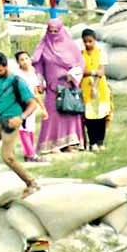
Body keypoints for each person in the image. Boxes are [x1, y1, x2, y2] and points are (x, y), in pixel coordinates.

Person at [0, 52, 39, 195]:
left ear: (6, 66)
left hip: (10, 123)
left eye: (0, 70)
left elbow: (32, 104)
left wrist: (21, 117)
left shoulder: (17, 82)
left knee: (7, 156)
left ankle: (31, 182)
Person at [30, 20, 80, 154]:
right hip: (52, 87)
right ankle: (52, 144)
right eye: (50, 31)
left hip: (68, 86)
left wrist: (72, 75)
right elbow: (38, 66)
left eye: (55, 31)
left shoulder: (70, 46)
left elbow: (79, 63)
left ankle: (70, 143)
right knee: (52, 114)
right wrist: (40, 82)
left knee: (69, 112)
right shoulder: (44, 46)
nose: (53, 34)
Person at [75, 27, 110, 151]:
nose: (88, 44)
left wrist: (91, 74)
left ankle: (101, 141)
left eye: (90, 41)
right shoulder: (80, 54)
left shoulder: (101, 52)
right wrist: (92, 72)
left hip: (100, 87)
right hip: (85, 88)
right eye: (85, 42)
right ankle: (92, 142)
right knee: (90, 117)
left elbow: (101, 72)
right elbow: (81, 72)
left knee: (101, 116)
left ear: (95, 40)